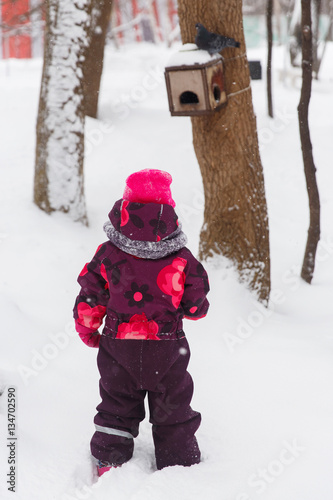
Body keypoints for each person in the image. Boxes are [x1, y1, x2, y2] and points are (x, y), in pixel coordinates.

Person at [73, 169, 209, 476]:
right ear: (169, 212)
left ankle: (110, 459)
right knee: (173, 403)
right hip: (167, 346)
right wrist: (193, 307)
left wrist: (87, 327)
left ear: (124, 208)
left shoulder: (107, 254)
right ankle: (179, 464)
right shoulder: (182, 258)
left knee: (117, 402)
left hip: (118, 346)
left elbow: (91, 294)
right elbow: (196, 304)